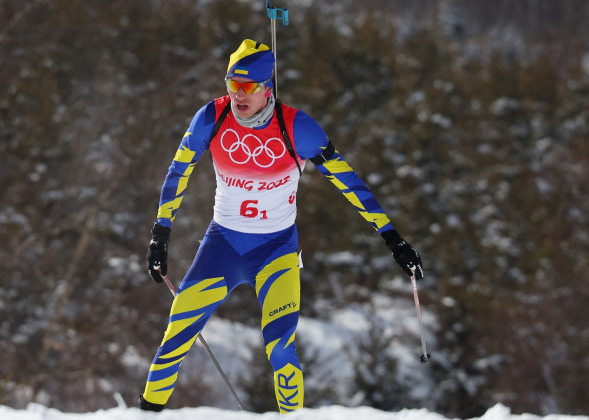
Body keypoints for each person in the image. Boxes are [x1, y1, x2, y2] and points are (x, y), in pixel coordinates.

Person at [139, 39, 423, 413]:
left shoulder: (297, 128)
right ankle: (143, 413)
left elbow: (349, 182)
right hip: (222, 246)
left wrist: (393, 239)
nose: (237, 95)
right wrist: (160, 235)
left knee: (280, 346)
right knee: (177, 333)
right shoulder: (211, 117)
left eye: (247, 87)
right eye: (231, 85)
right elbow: (178, 172)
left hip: (276, 250)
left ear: (266, 88)